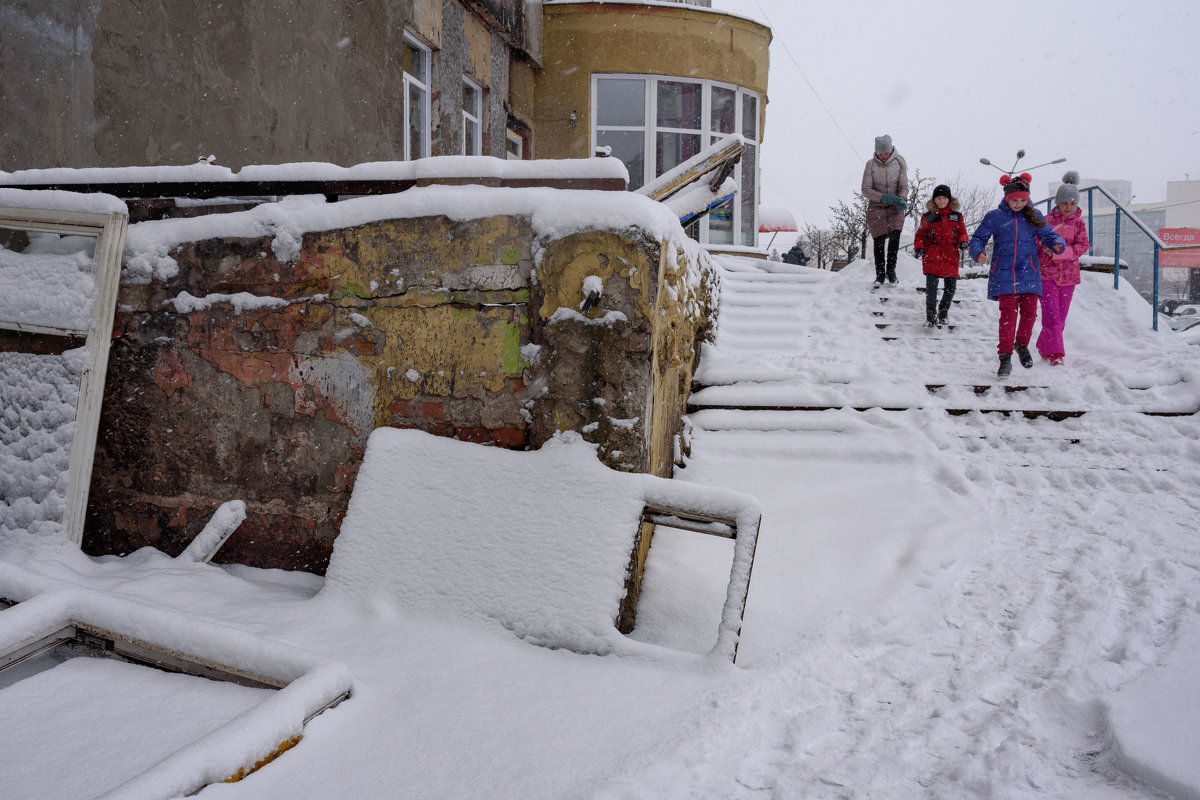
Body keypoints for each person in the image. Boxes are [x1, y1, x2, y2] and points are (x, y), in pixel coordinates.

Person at [968, 173, 1065, 377]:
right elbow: (978, 237)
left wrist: (1057, 243)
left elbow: (1048, 234)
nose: (1019, 204)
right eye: (1015, 200)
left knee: (1030, 314)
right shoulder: (995, 217)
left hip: (1028, 272)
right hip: (1003, 273)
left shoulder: (1034, 215)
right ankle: (1005, 356)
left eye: (1023, 200)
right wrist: (978, 252)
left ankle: (1022, 345)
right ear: (1007, 198)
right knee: (1008, 317)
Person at [1035, 172, 1090, 365]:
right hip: (1046, 275)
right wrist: (1046, 250)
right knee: (1052, 315)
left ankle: (1044, 346)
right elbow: (1037, 243)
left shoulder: (1079, 223)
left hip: (1069, 276)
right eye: (1064, 203)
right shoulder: (1046, 221)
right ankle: (1056, 354)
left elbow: (1083, 246)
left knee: (1060, 317)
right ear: (1057, 202)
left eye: (1072, 204)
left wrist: (1060, 254)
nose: (1068, 207)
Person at [913, 184, 969, 327]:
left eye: (944, 198)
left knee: (951, 288)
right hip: (932, 254)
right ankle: (930, 315)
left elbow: (962, 232)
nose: (942, 201)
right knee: (931, 288)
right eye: (939, 198)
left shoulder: (956, 216)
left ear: (949, 199)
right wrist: (919, 247)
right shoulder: (929, 216)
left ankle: (943, 311)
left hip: (951, 255)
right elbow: (920, 235)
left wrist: (963, 242)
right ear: (934, 199)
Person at [860, 134, 909, 287]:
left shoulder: (899, 163)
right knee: (879, 241)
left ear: (891, 150)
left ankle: (891, 272)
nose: (882, 156)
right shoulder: (870, 165)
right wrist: (885, 197)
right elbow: (866, 189)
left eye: (885, 153)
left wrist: (901, 198)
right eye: (880, 153)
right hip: (876, 207)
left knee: (895, 237)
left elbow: (904, 186)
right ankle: (880, 275)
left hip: (896, 207)